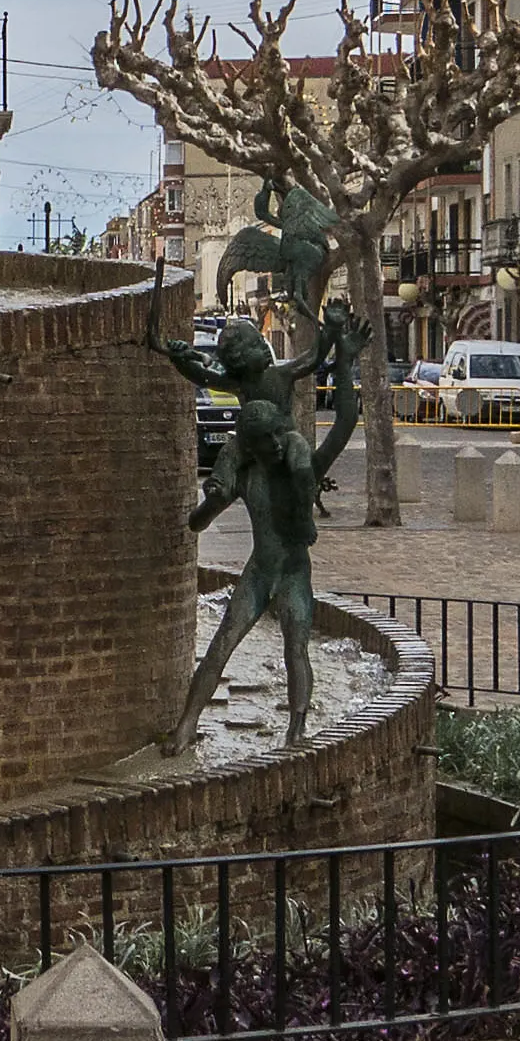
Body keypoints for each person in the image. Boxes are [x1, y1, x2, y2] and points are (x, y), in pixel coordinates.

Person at [162, 315, 371, 754]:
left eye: (280, 436)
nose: (276, 445)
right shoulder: (248, 478)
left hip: (294, 571)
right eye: (266, 441)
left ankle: (296, 730)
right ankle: (186, 724)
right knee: (222, 644)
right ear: (249, 447)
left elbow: (346, 421)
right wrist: (213, 499)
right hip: (260, 572)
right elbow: (198, 522)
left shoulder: (303, 469)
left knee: (297, 648)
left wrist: (346, 359)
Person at [155, 308, 344, 534]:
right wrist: (180, 360)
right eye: (255, 345)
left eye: (261, 341)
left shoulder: (281, 375)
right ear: (238, 359)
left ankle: (304, 515)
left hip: (283, 441)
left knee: (300, 457)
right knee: (229, 454)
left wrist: (331, 330)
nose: (264, 347)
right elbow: (203, 376)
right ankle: (215, 497)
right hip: (251, 443)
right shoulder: (238, 382)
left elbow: (312, 358)